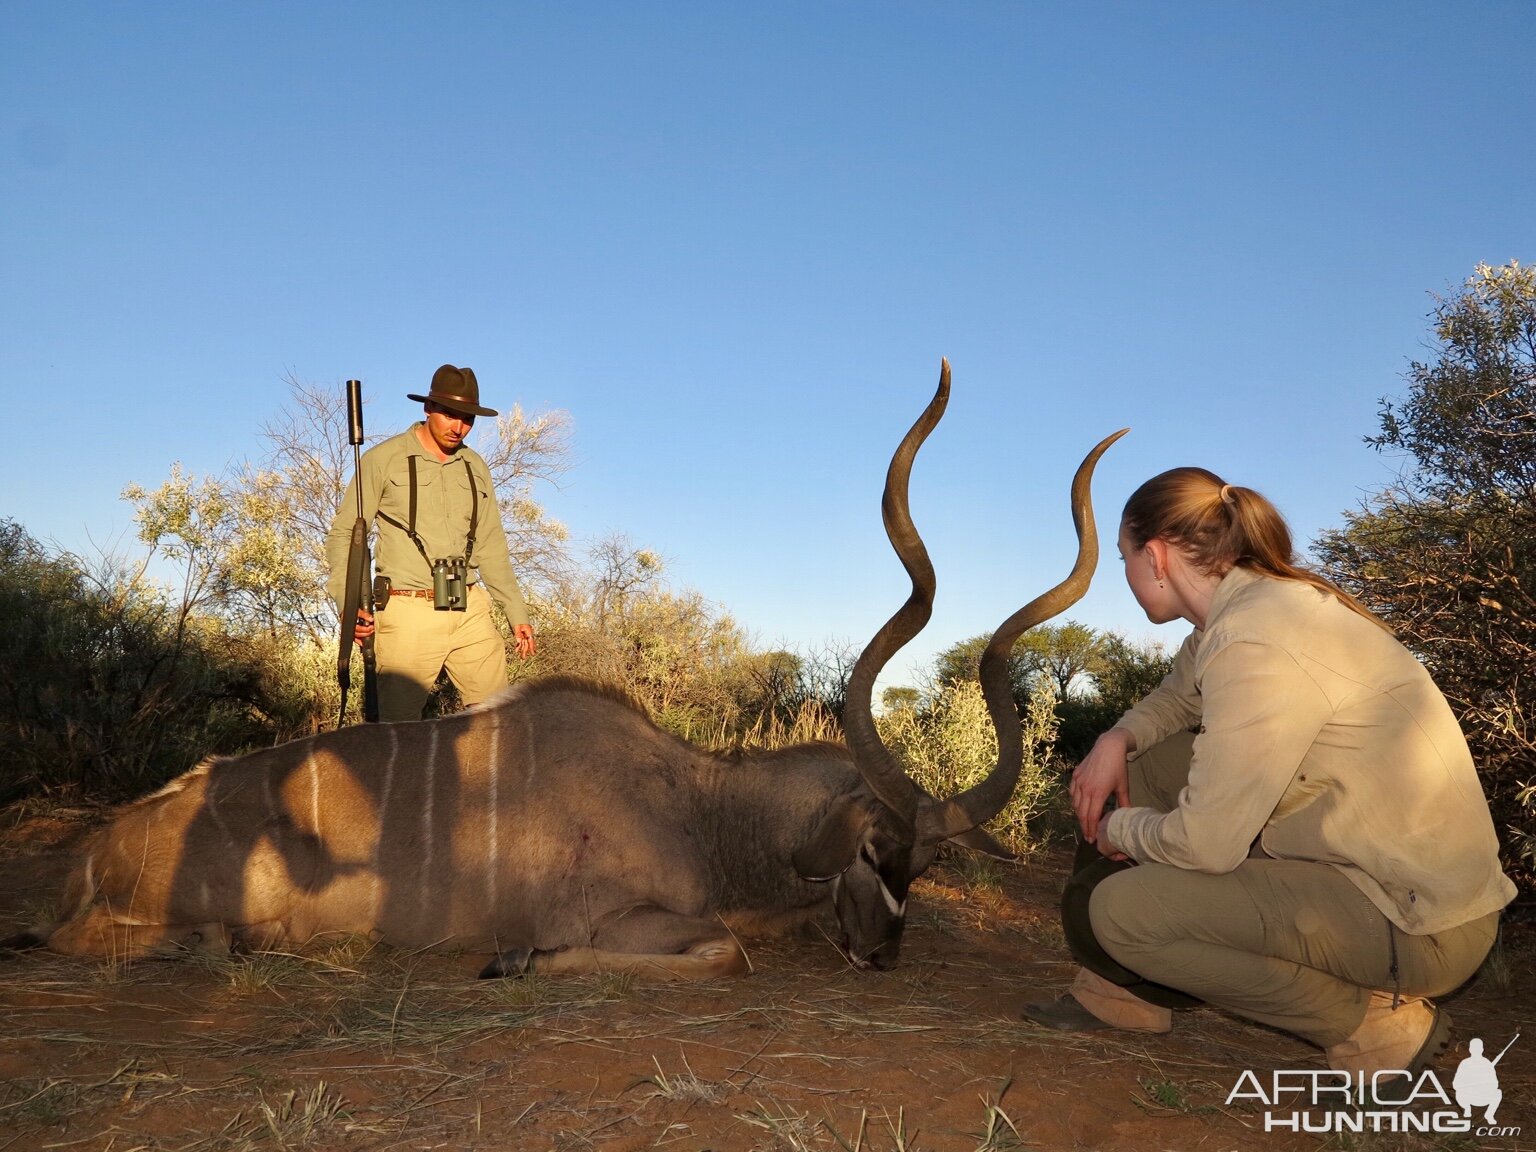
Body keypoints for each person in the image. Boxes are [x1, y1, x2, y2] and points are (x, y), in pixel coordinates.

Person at [1021, 466, 1515, 1080]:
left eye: (1123, 558)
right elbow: (1178, 698)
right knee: (1145, 759)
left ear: (1154, 557)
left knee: (1124, 914)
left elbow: (1206, 844)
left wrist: (1120, 830)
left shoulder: (1256, 639)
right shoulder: (1240, 609)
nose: (1124, 576)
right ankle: (1124, 993)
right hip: (1381, 881)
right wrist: (1115, 738)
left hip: (1415, 921)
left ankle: (1369, 1028)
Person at [326, 364, 537, 722]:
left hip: (470, 607)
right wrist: (348, 607)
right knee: (396, 735)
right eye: (451, 415)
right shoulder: (382, 459)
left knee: (501, 723)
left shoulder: (475, 466)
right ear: (428, 409)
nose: (459, 427)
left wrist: (516, 613)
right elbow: (346, 534)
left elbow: (492, 545)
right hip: (408, 609)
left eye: (467, 418)